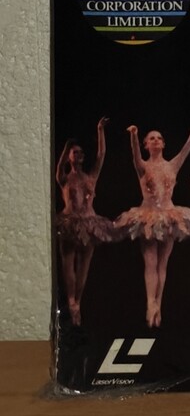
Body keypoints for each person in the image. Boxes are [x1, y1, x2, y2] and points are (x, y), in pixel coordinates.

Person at [113, 106, 190, 327]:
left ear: (164, 144)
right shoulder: (142, 166)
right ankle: (150, 302)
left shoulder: (173, 165)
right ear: (146, 145)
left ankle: (158, 303)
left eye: (159, 138)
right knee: (150, 261)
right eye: (152, 138)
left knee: (163, 264)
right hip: (148, 217)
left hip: (169, 216)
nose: (156, 140)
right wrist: (134, 135)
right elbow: (134, 154)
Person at [55, 117, 115, 325]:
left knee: (84, 265)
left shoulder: (91, 177)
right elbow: (59, 167)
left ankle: (77, 302)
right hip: (69, 222)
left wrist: (100, 130)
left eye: (81, 152)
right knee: (67, 263)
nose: (79, 154)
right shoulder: (64, 178)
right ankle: (71, 299)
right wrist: (66, 148)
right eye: (75, 152)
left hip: (89, 223)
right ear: (70, 157)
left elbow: (101, 155)